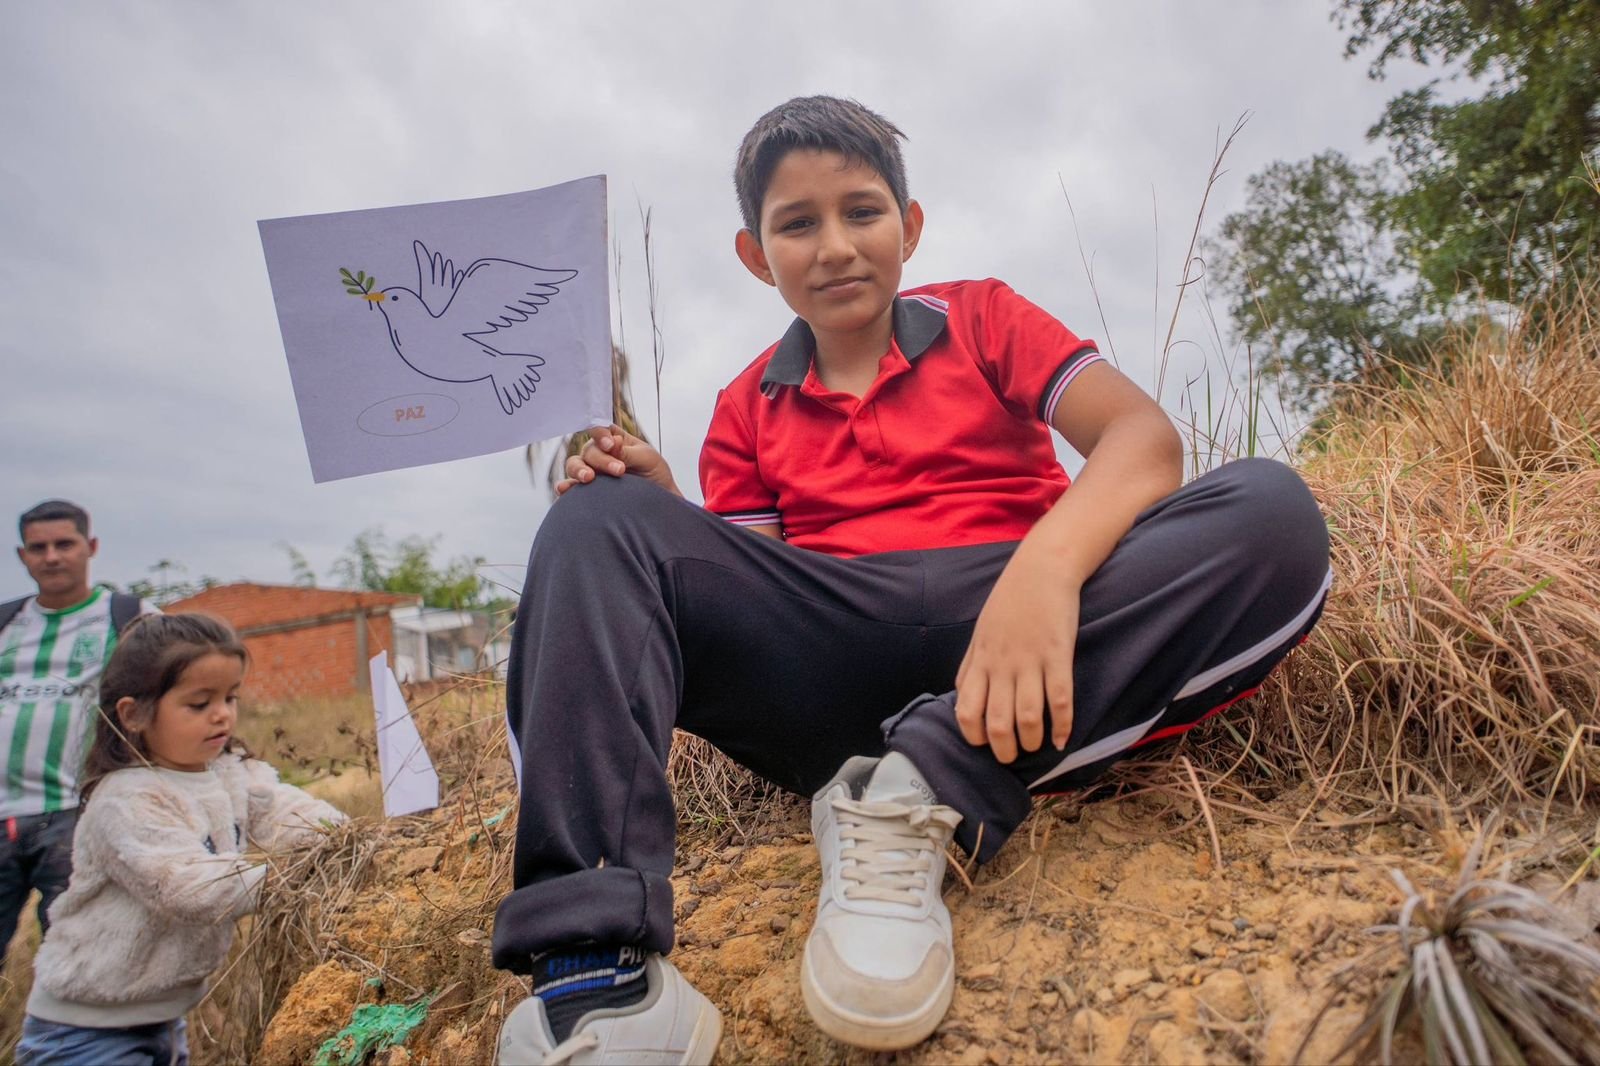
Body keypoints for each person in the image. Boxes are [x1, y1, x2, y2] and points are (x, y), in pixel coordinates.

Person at [493, 96, 1331, 1064]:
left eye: (862, 211)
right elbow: (753, 600)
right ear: (754, 256)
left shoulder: (981, 318)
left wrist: (1047, 569)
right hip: (833, 649)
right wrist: (660, 514)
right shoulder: (743, 406)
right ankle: (596, 973)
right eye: (796, 224)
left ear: (910, 224)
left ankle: (915, 788)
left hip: (1019, 638)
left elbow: (1143, 440)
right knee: (592, 517)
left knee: (1273, 514)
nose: (835, 245)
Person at [15, 613, 345, 1066]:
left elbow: (284, 808)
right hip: (83, 1032)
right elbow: (189, 887)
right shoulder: (127, 799)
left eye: (231, 697)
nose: (222, 714)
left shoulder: (228, 771)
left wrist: (346, 839)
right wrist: (291, 875)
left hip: (165, 1019)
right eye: (198, 703)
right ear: (133, 714)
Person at [1, 500, 151, 967]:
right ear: (21, 555)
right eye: (38, 547)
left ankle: (63, 1039)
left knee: (76, 956)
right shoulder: (6, 624)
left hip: (76, 812)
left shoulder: (130, 616)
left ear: (91, 547)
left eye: (64, 544)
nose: (51, 557)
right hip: (1, 813)